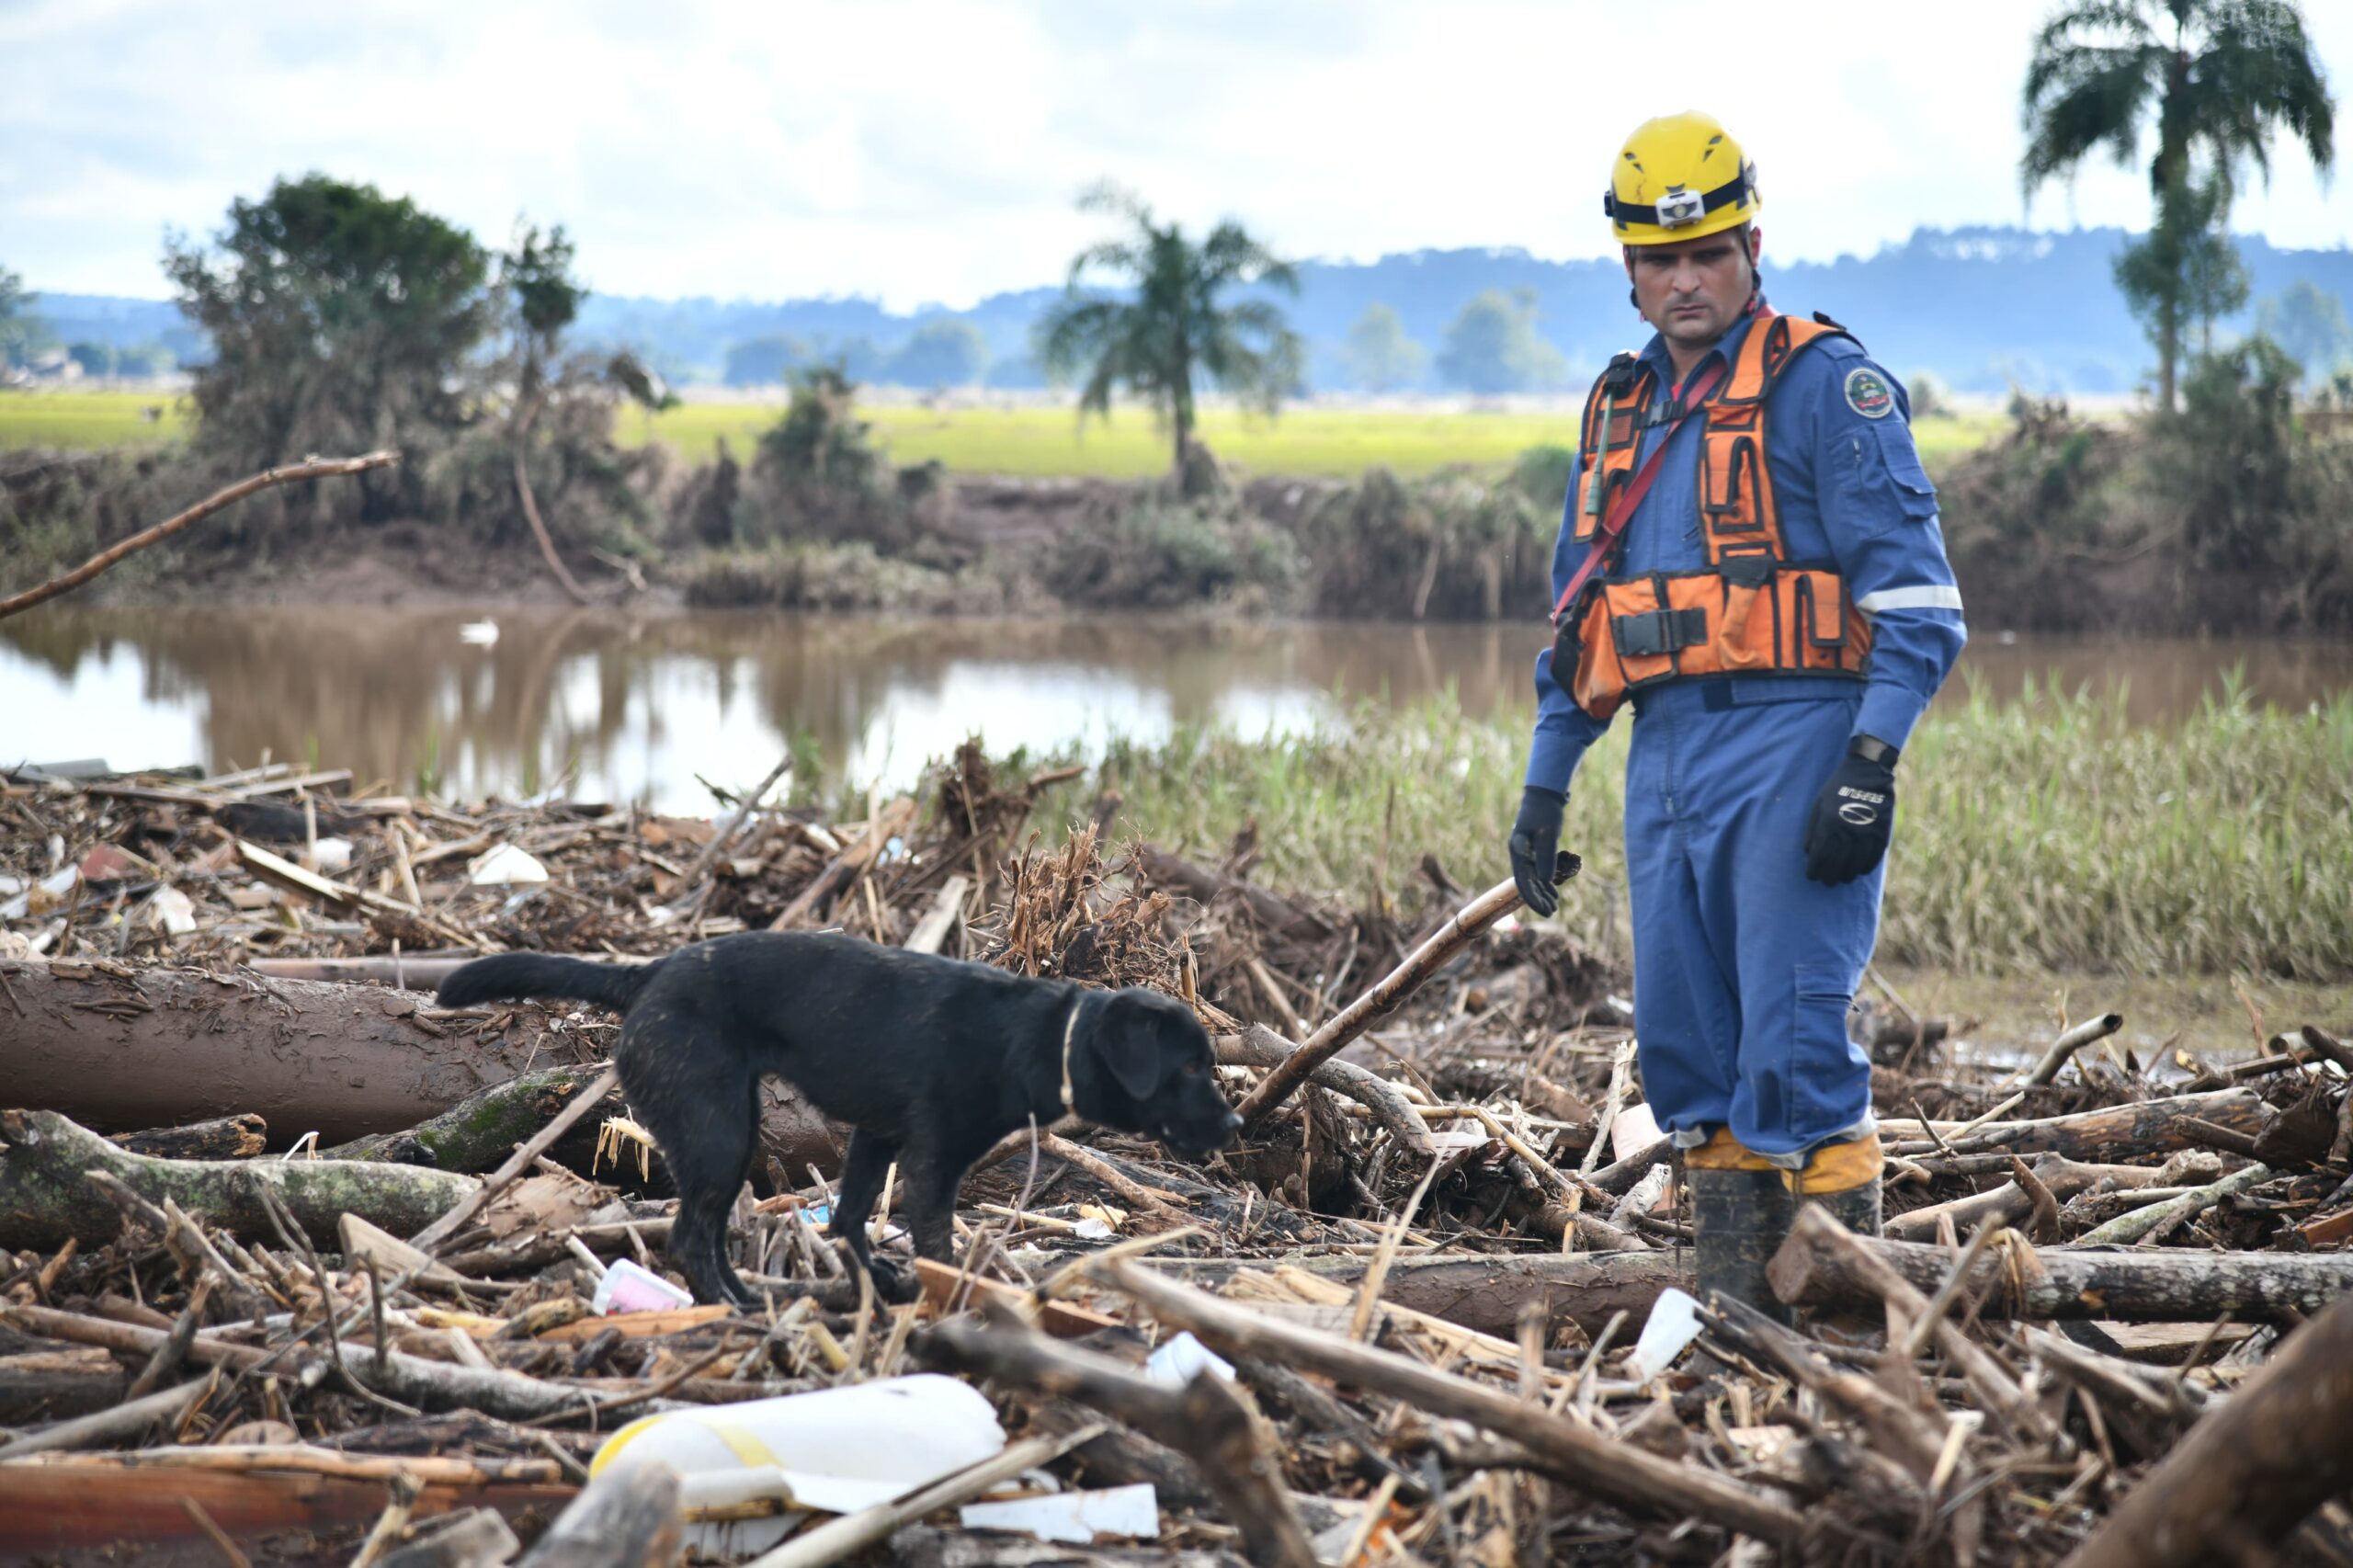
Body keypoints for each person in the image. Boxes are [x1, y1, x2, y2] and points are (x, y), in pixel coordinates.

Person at [1506, 112, 1966, 1319]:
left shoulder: (1828, 385)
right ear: (1627, 269)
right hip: (1664, 763)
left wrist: (1872, 760)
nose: (1686, 278)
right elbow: (1580, 625)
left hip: (1795, 746)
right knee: (1687, 1054)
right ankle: (1735, 1335)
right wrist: (1547, 779)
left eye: (1708, 251)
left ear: (1752, 244)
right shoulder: (1621, 413)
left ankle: (1851, 1354)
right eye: (1661, 261)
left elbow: (1920, 605)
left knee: (1797, 1047)